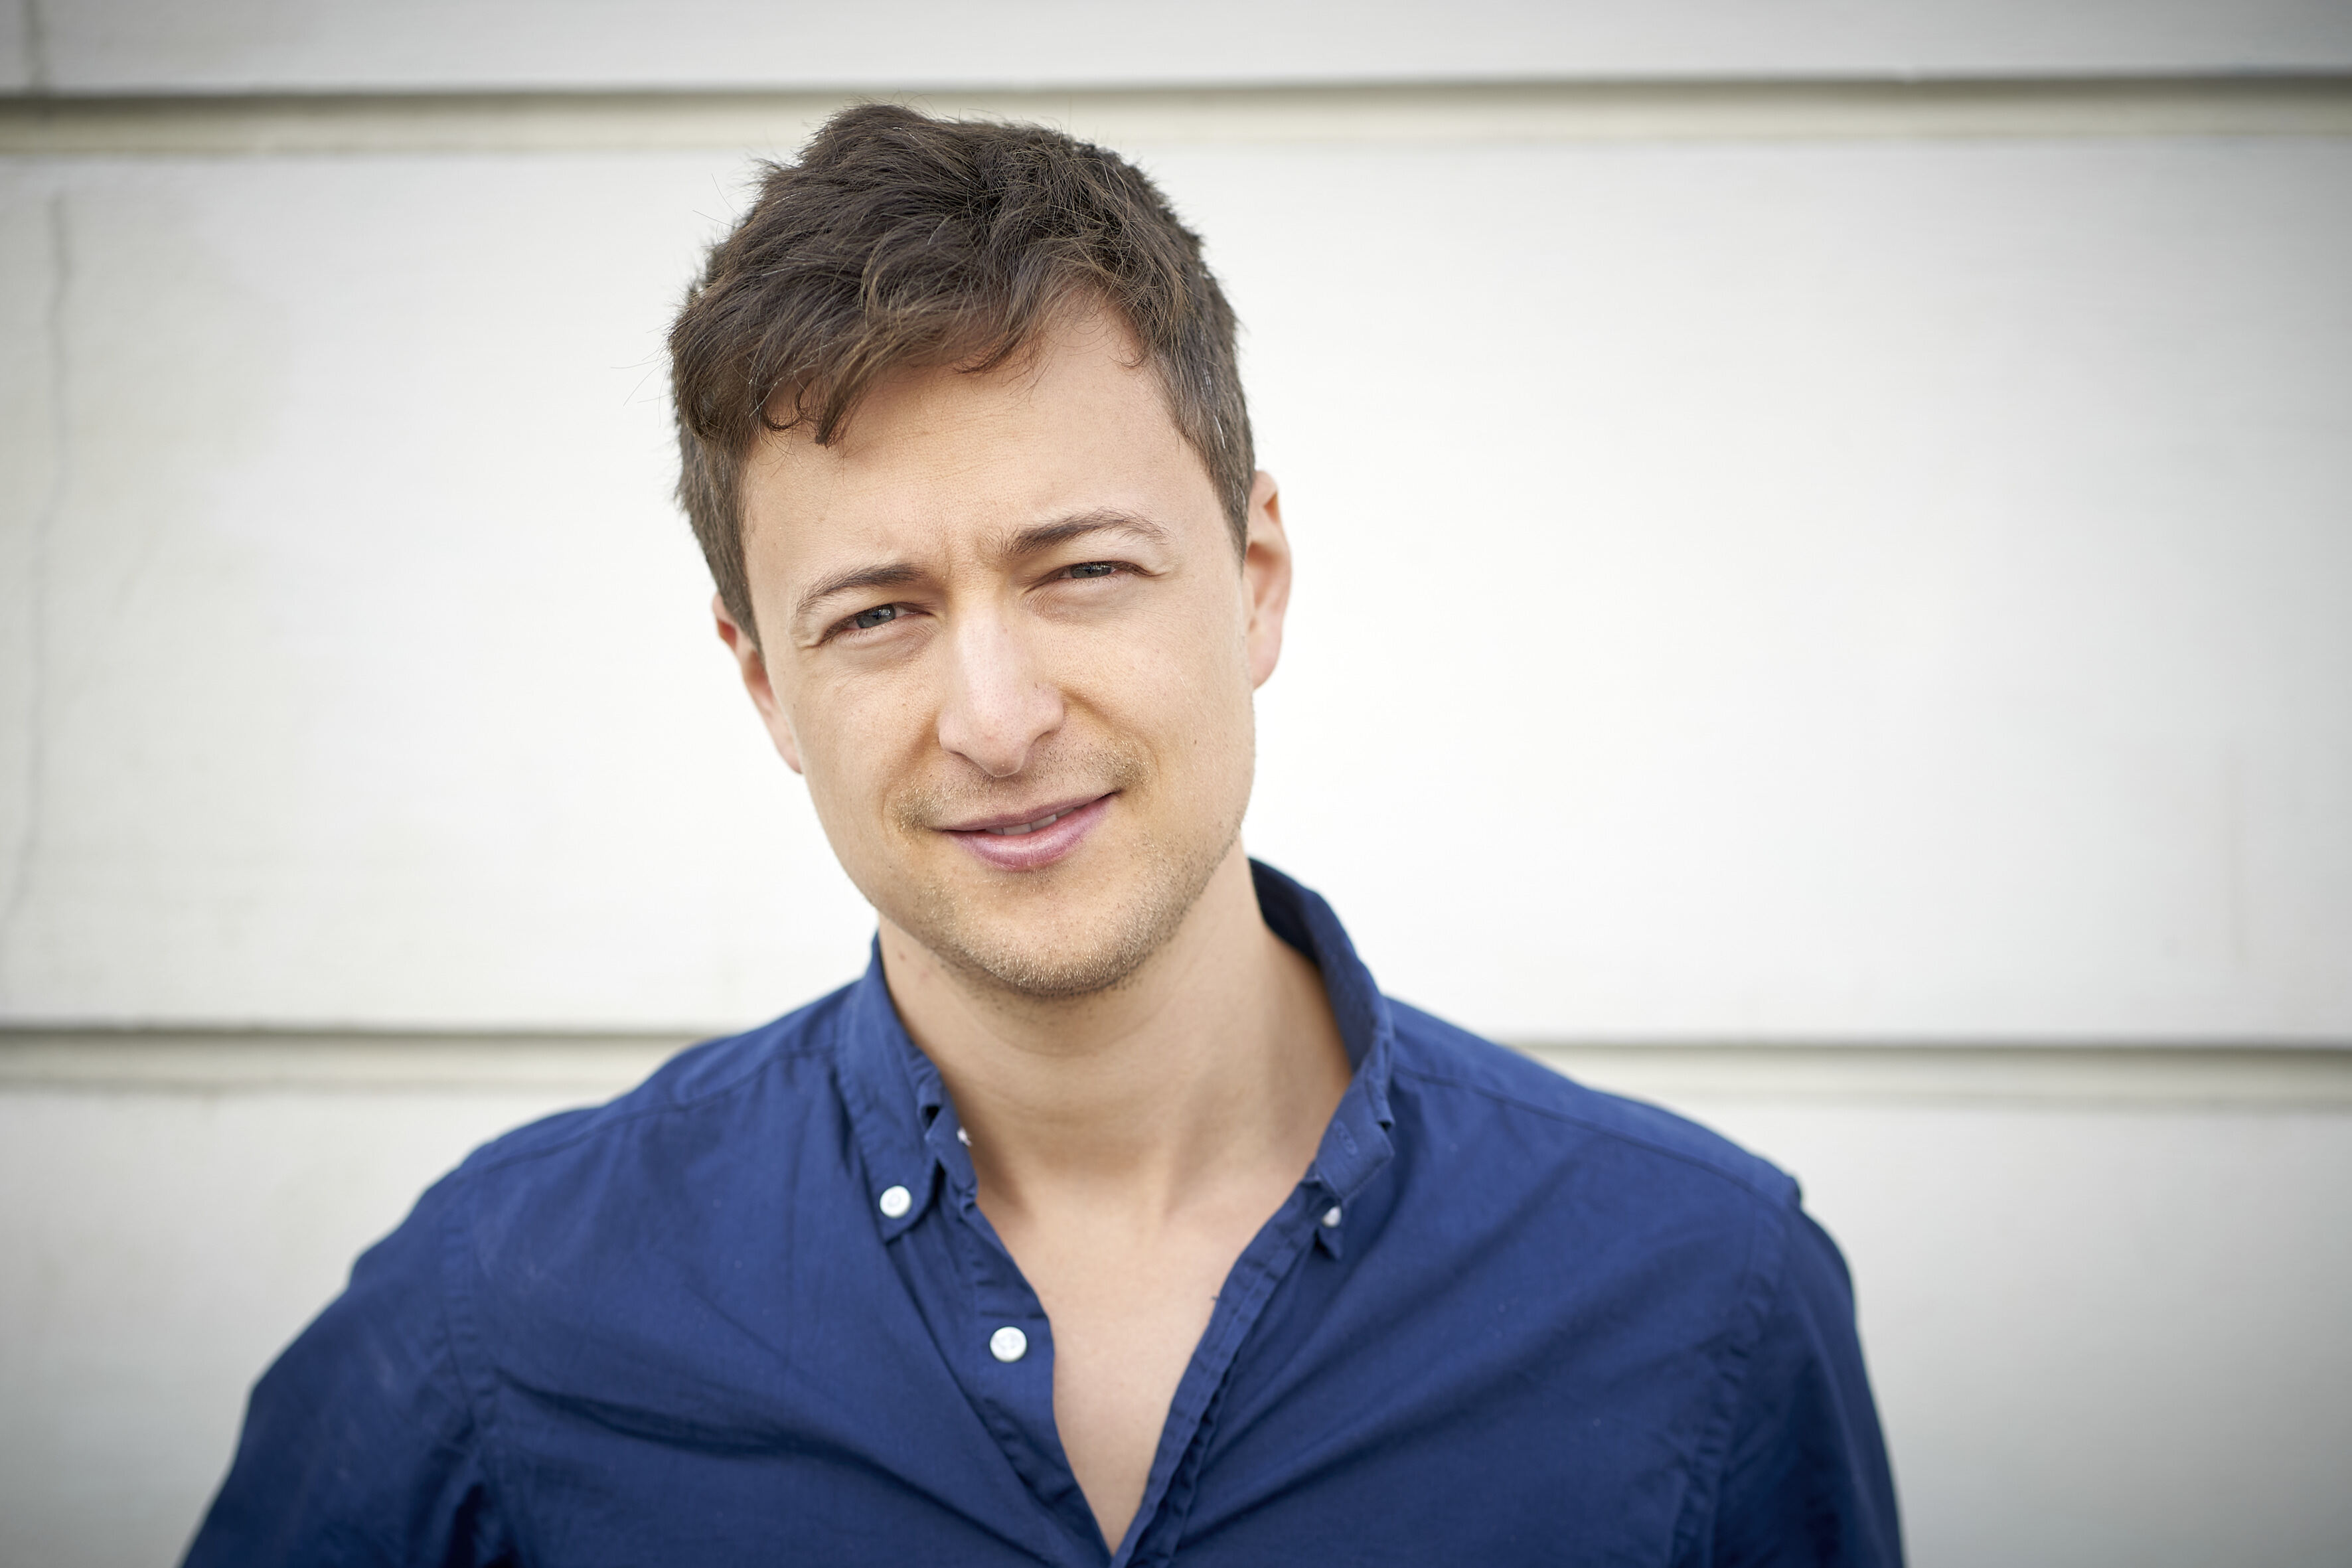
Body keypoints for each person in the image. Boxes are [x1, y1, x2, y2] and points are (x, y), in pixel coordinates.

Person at [186, 105, 1901, 1567]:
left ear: (1255, 579)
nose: (997, 719)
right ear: (766, 682)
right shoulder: (501, 1317)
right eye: (877, 613)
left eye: (1081, 570)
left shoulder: (1703, 1295)